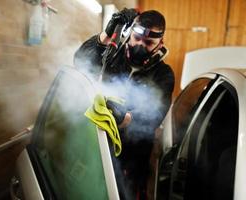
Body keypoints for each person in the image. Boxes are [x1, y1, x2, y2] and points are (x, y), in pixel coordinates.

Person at [74, 8, 175, 200]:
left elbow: (154, 116)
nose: (140, 45)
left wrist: (125, 118)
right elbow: (80, 62)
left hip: (132, 158)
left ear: (160, 43)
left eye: (148, 42)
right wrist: (106, 33)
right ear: (129, 34)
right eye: (137, 38)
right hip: (96, 145)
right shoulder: (114, 55)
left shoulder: (164, 75)